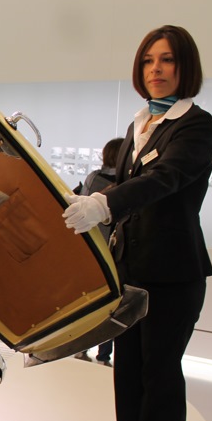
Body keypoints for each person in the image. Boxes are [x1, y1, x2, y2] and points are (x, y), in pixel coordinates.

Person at [62, 25, 212, 421]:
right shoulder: (140, 123)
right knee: (127, 377)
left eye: (167, 60)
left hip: (172, 274)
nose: (156, 69)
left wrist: (103, 204)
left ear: (184, 67)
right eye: (149, 60)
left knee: (160, 383)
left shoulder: (195, 124)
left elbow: (164, 178)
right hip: (130, 270)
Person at [73, 137, 123, 366]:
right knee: (113, 304)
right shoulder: (126, 181)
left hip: (93, 250)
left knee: (92, 303)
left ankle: (82, 348)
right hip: (115, 251)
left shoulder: (94, 178)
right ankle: (104, 355)